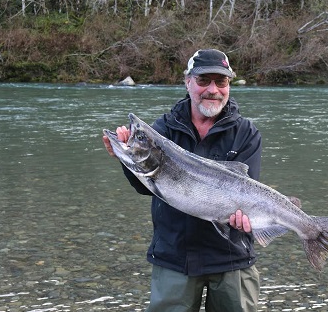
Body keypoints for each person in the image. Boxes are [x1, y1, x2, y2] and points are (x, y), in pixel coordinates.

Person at [102, 49, 262, 312]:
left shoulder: (246, 133)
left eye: (221, 82)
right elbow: (146, 187)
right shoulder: (162, 130)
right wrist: (125, 158)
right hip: (174, 256)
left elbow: (248, 189)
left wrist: (244, 217)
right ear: (188, 81)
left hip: (232, 257)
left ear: (229, 85)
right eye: (203, 81)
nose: (213, 89)